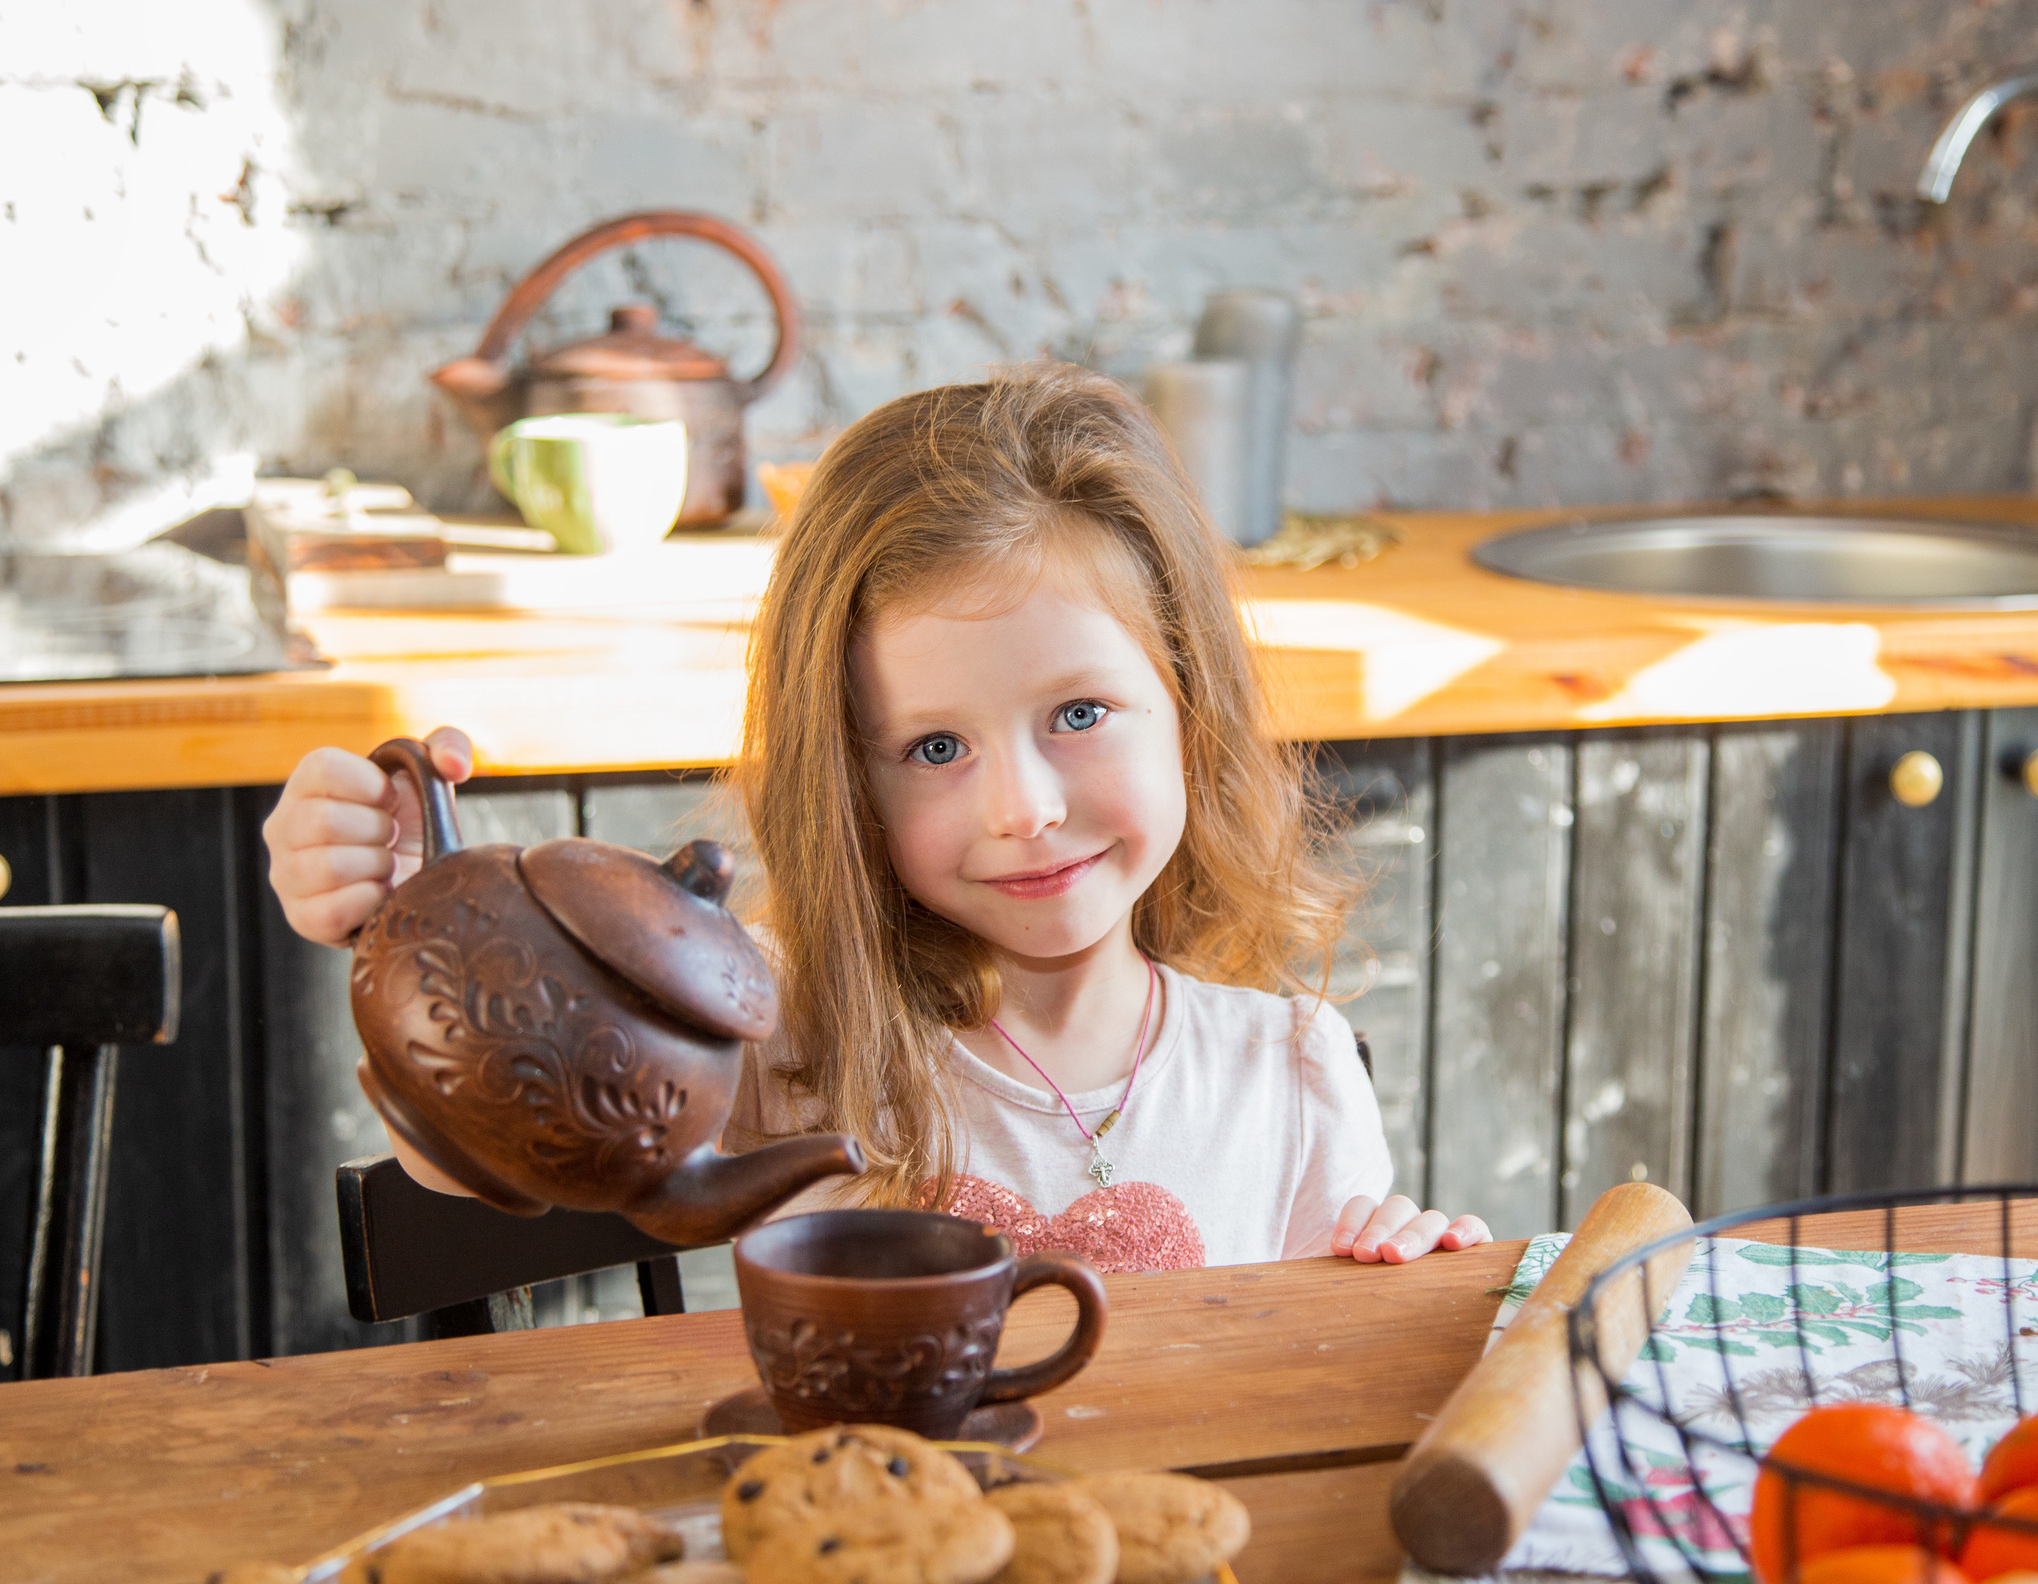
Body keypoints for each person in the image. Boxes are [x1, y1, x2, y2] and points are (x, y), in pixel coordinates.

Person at [263, 362, 1489, 1272]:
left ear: (1189, 705)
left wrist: (1409, 1283)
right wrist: (405, 927)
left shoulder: (1290, 1075)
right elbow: (482, 1161)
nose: (1023, 809)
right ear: (846, 780)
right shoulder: (770, 1037)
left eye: (1079, 715)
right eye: (935, 747)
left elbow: (1322, 1397)